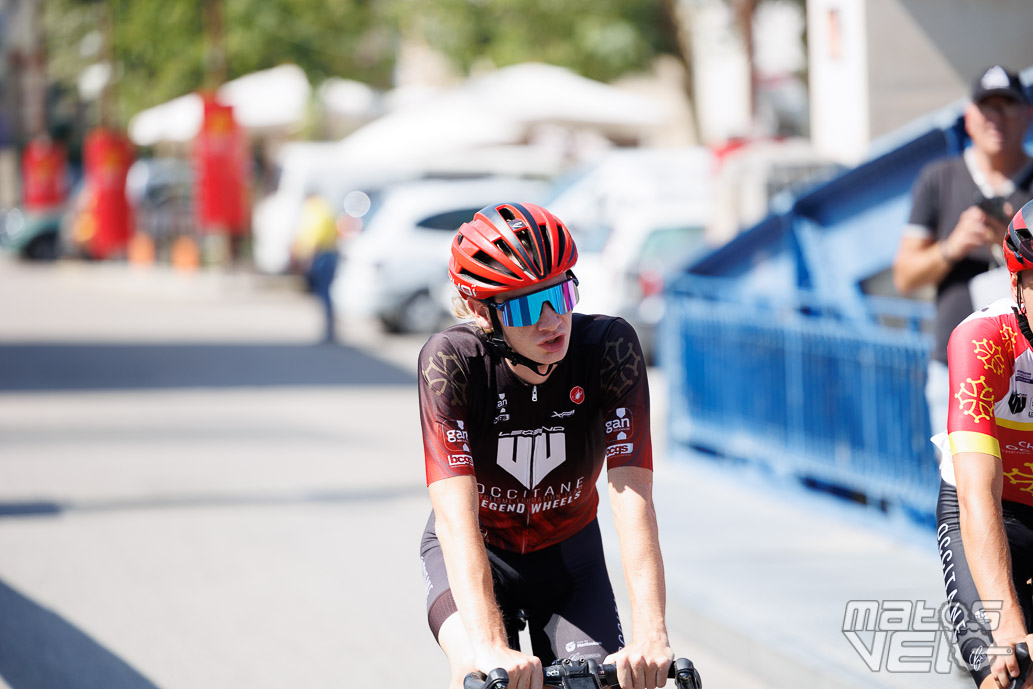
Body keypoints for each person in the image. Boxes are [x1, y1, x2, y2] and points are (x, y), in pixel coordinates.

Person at [417, 202, 674, 689]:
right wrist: (490, 645)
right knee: (476, 670)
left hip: (569, 556)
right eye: (525, 305)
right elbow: (454, 514)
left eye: (560, 292)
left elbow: (632, 496)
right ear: (480, 311)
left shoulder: (610, 349)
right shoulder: (450, 362)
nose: (552, 319)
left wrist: (652, 634)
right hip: (477, 553)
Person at [893, 64, 1033, 444]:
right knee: (963, 492)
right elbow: (904, 277)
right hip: (958, 366)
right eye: (987, 106)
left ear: (1027, 114)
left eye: (1008, 105)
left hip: (1029, 364)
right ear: (969, 117)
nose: (996, 117)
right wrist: (952, 247)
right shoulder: (938, 179)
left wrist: (1011, 246)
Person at [936, 199, 1033, 689]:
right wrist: (1008, 622)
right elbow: (978, 497)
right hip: (990, 510)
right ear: (1016, 284)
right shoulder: (981, 340)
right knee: (1011, 668)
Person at [292, 192, 340, 343]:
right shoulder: (326, 209)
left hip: (321, 255)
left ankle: (329, 328)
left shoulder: (314, 211)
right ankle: (329, 327)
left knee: (323, 292)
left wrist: (308, 258)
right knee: (324, 292)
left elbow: (314, 236)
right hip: (328, 253)